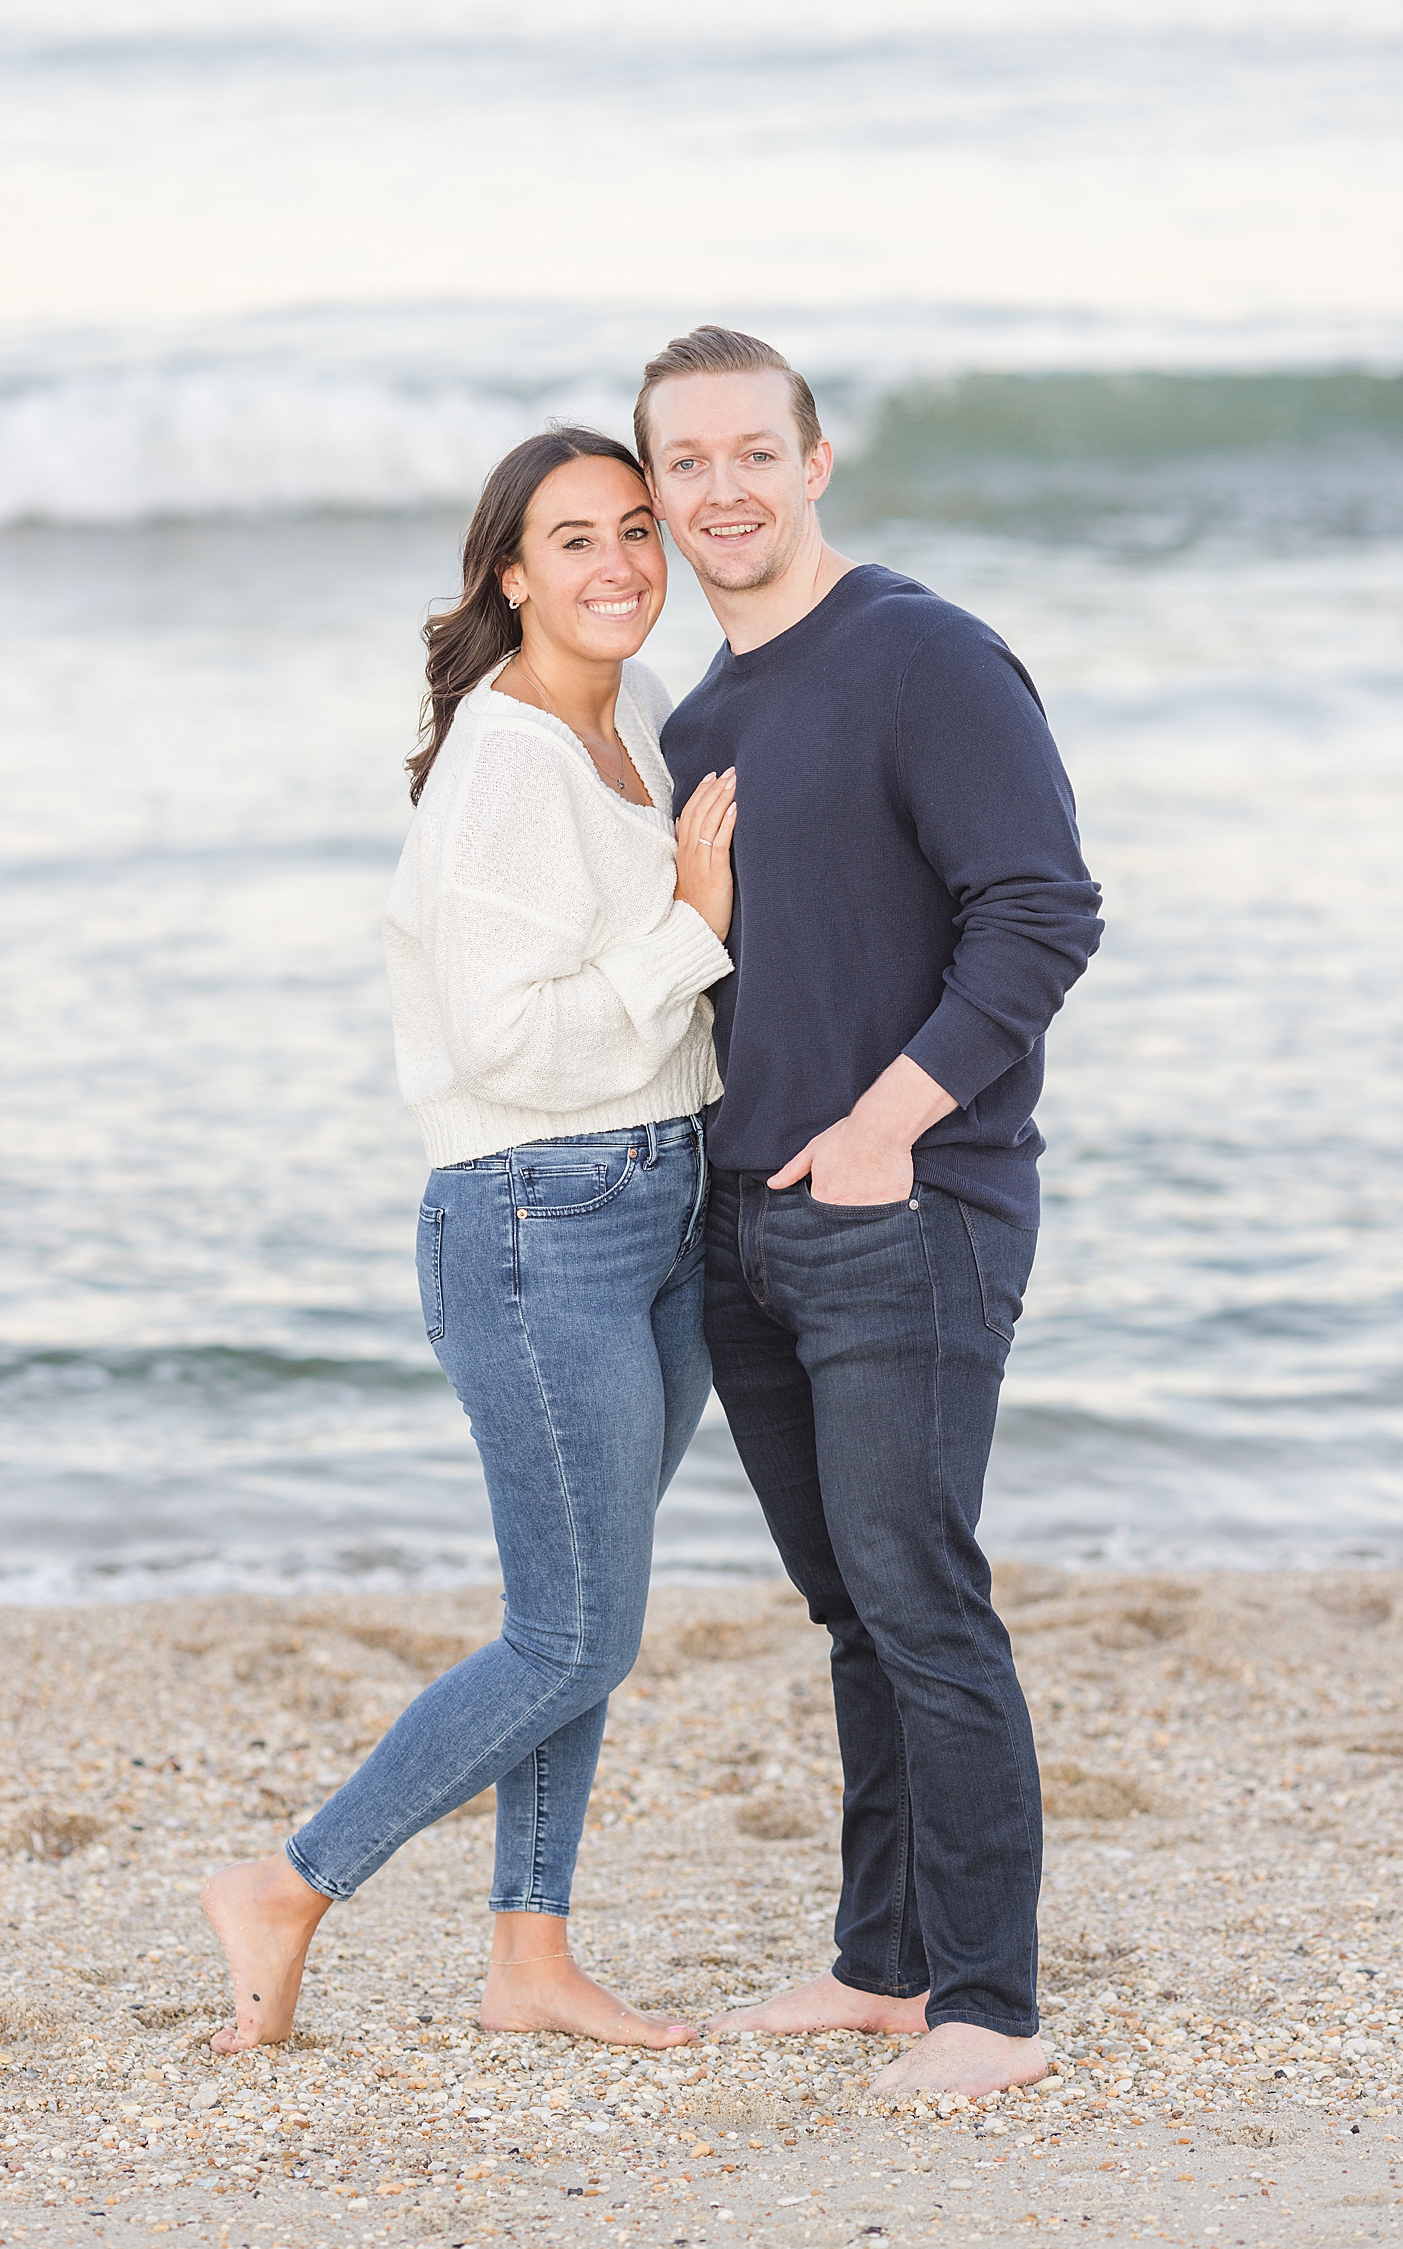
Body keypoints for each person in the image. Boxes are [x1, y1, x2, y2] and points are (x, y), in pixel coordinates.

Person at [202, 426, 739, 2054]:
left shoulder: (630, 713)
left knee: (584, 1603)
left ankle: (528, 1957)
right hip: (536, 1219)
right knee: (573, 1628)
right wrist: (693, 932)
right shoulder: (509, 760)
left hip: (666, 1196)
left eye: (636, 529)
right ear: (511, 573)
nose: (621, 566)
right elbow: (510, 1040)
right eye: (573, 540)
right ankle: (291, 1881)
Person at [637, 328, 1104, 2097]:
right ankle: (884, 1967)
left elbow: (1042, 913)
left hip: (913, 1201)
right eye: (688, 463)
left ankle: (992, 2006)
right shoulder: (703, 715)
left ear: (815, 462)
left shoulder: (922, 653)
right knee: (852, 1606)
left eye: (756, 451)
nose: (724, 490)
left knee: (924, 1596)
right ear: (662, 490)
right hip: (748, 1222)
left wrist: (886, 1125)